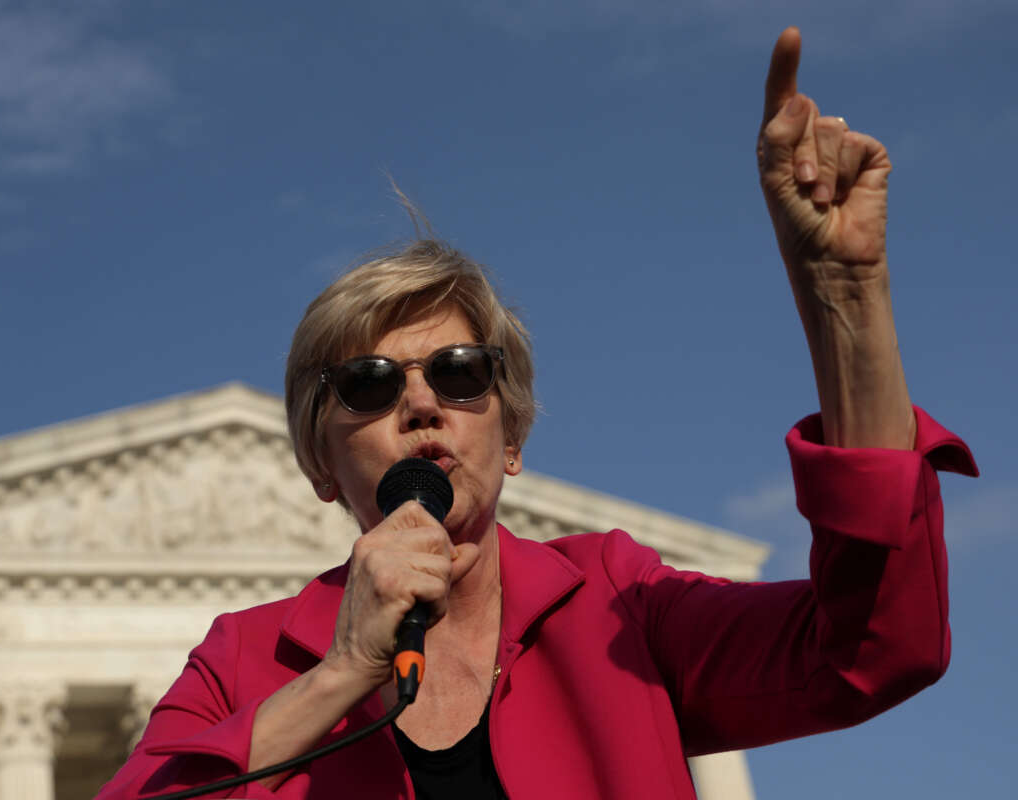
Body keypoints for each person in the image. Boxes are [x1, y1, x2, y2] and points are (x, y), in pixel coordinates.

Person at [96, 27, 977, 800]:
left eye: (461, 371)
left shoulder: (617, 606)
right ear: (320, 464)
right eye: (367, 383)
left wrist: (847, 300)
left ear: (511, 437)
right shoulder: (246, 662)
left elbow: (873, 649)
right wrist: (341, 673)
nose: (420, 401)